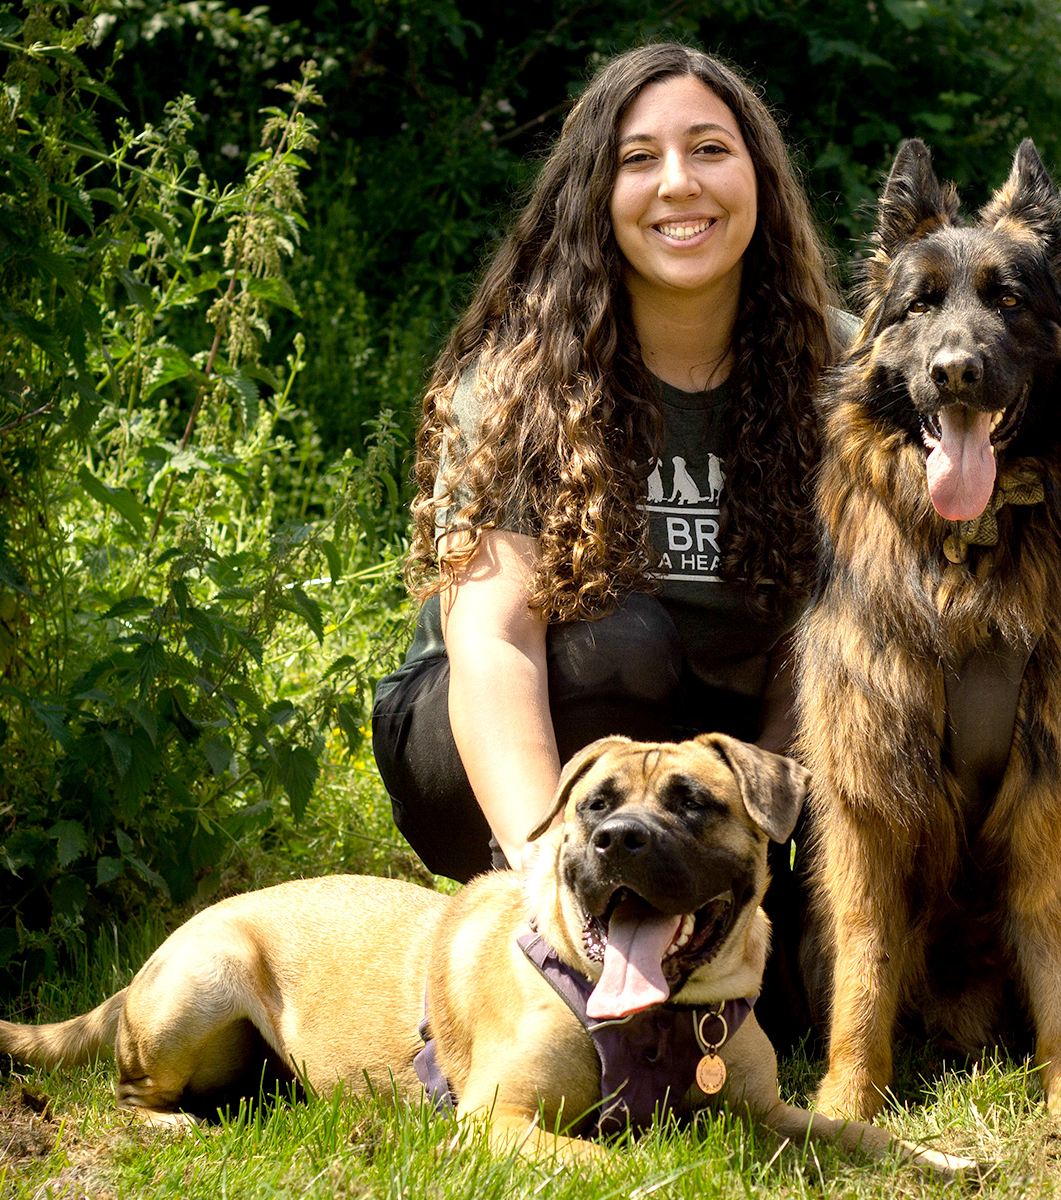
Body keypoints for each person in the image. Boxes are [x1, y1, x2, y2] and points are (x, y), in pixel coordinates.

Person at [371, 45, 847, 1039]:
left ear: (757, 176)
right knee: (619, 644)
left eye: (709, 148)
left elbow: (830, 633)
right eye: (638, 158)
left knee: (800, 1004)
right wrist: (539, 858)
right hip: (492, 735)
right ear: (597, 189)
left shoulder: (840, 369)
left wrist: (763, 840)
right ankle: (554, 925)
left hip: (716, 770)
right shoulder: (518, 380)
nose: (678, 183)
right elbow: (493, 642)